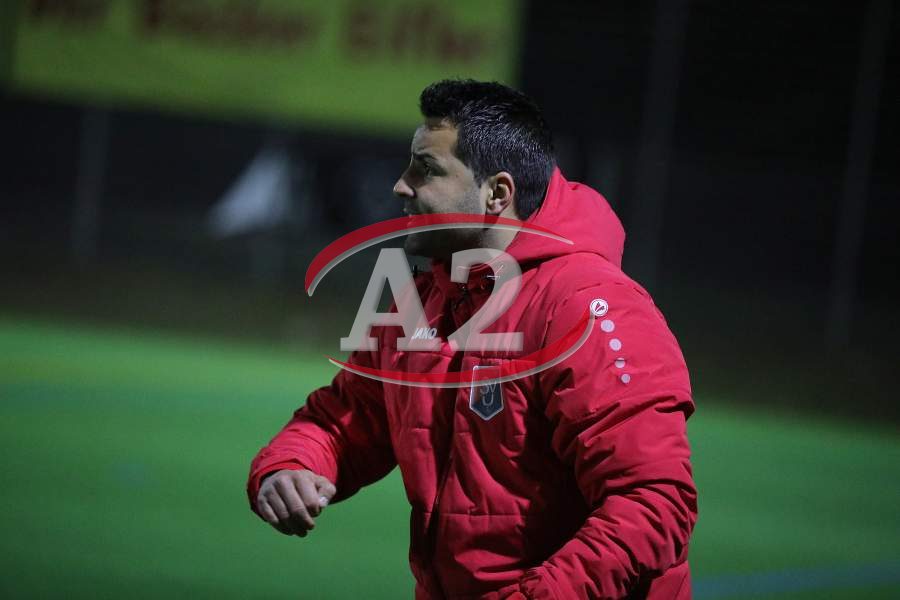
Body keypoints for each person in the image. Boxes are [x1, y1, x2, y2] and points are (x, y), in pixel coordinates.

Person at [247, 79, 696, 599]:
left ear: (497, 194)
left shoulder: (587, 305)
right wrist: (292, 465)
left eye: (426, 169)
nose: (401, 185)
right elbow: (347, 419)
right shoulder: (424, 295)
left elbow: (653, 502)